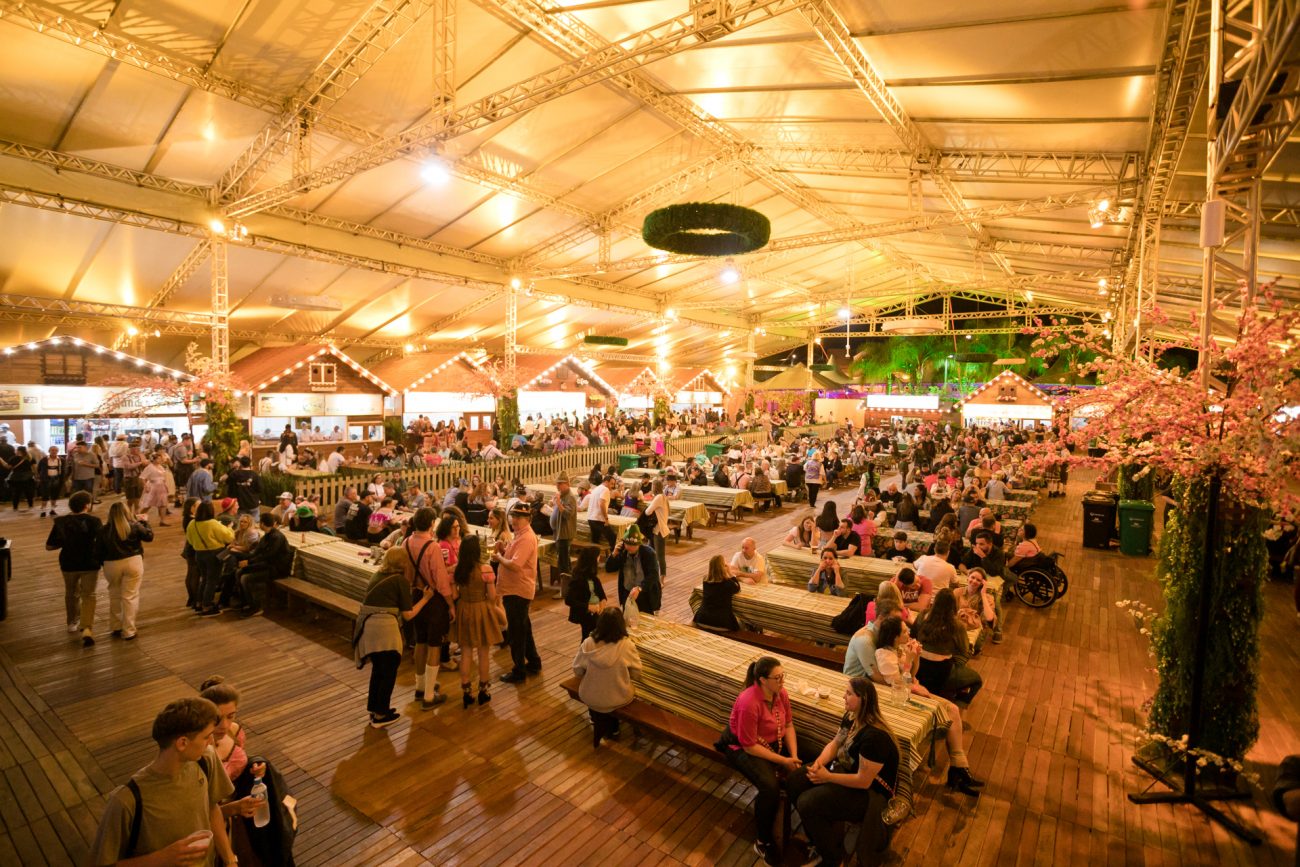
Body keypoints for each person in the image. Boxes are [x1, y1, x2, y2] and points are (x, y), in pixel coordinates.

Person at [89, 697, 237, 867]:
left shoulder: (205, 761)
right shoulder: (126, 800)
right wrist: (160, 859)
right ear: (182, 743)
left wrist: (230, 860)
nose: (212, 742)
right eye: (206, 737)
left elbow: (211, 807)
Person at [785, 678, 900, 867]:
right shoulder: (852, 716)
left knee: (807, 803)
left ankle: (832, 858)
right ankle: (820, 838)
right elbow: (835, 743)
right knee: (795, 781)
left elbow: (864, 781)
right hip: (849, 773)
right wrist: (819, 764)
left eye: (848, 693)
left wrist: (827, 776)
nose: (843, 696)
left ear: (862, 698)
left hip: (872, 793)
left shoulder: (874, 737)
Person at [873, 616, 982, 796]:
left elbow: (914, 674)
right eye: (904, 631)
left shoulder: (899, 649)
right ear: (893, 637)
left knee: (953, 710)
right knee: (952, 710)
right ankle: (958, 769)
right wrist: (909, 661)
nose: (909, 632)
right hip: (900, 697)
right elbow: (898, 684)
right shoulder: (884, 655)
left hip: (912, 690)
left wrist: (915, 657)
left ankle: (959, 767)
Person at [721, 656, 803, 866]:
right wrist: (783, 760)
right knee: (769, 787)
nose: (782, 681)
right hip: (743, 747)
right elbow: (749, 745)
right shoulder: (749, 702)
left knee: (805, 760)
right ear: (762, 680)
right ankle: (762, 840)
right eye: (777, 677)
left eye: (783, 676)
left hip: (770, 741)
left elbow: (789, 725)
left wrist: (793, 755)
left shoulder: (780, 693)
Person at [354, 546, 429, 728]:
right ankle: (381, 715)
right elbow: (408, 615)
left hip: (369, 628)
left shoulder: (378, 575)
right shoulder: (399, 580)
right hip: (384, 629)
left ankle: (375, 709)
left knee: (378, 670)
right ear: (402, 563)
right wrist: (426, 597)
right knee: (388, 671)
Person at [403, 508, 455, 708]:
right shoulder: (432, 547)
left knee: (420, 641)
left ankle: (420, 686)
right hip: (433, 598)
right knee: (435, 645)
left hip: (416, 595)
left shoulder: (406, 542)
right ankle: (429, 696)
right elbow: (441, 581)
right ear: (432, 523)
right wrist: (450, 605)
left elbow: (407, 574)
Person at [573, 607, 643, 748]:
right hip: (617, 697)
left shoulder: (588, 643)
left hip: (590, 695)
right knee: (616, 693)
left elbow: (577, 670)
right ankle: (614, 729)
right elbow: (637, 674)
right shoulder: (626, 645)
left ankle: (596, 719)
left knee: (598, 695)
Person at [45, 490, 103, 644]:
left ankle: (72, 622)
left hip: (68, 562)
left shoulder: (61, 522)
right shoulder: (95, 521)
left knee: (71, 593)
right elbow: (100, 541)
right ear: (87, 505)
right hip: (90, 562)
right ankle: (86, 627)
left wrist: (66, 541)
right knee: (89, 594)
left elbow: (49, 546)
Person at [495, 504, 542, 683]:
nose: (514, 520)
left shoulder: (526, 538)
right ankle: (534, 662)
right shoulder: (521, 535)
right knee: (524, 628)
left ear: (528, 520)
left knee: (516, 632)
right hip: (515, 589)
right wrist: (502, 551)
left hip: (517, 590)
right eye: (513, 516)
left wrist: (498, 557)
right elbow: (513, 558)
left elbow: (515, 565)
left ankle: (519, 670)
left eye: (518, 517)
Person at [454, 534, 502, 707]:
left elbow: (454, 594)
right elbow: (492, 596)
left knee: (466, 652)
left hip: (464, 608)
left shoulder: (458, 570)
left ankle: (466, 691)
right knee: (483, 653)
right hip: (481, 609)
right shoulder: (486, 569)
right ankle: (483, 690)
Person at [95, 502, 154, 642]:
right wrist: (145, 522)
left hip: (111, 564)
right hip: (133, 561)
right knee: (130, 596)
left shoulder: (103, 530)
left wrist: (103, 563)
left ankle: (116, 626)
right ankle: (129, 630)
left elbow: (98, 551)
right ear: (127, 512)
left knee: (114, 594)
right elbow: (149, 537)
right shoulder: (134, 526)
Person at [913, 588, 983, 706]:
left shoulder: (922, 615)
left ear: (935, 602)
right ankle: (959, 703)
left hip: (918, 664)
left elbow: (913, 635)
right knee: (977, 680)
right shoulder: (957, 625)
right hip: (940, 670)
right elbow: (964, 650)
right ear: (954, 606)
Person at [235, 513, 292, 616]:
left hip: (277, 569)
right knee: (239, 572)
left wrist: (249, 562)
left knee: (245, 578)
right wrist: (246, 560)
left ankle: (255, 607)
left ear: (262, 524)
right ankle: (245, 602)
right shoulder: (267, 535)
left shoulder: (277, 537)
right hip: (267, 565)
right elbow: (257, 552)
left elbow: (268, 556)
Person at [187, 501, 236, 617]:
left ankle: (199, 603)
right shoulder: (213, 523)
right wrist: (229, 528)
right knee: (212, 580)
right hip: (213, 555)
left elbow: (189, 540)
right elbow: (229, 537)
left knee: (204, 579)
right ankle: (207, 606)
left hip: (199, 554)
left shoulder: (192, 523)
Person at [198, 676, 247, 782]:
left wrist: (254, 770)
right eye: (217, 718)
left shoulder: (235, 730)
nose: (224, 725)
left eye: (230, 716)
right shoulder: (195, 746)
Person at [604, 524, 662, 615]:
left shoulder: (649, 554)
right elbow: (609, 568)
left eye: (633, 545)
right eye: (627, 544)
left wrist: (639, 588)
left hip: (645, 594)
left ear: (639, 543)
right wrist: (614, 554)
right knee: (628, 621)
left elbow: (653, 575)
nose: (629, 547)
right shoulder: (622, 552)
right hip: (627, 593)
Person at [564, 546, 607, 641]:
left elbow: (601, 592)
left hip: (596, 612)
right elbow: (568, 600)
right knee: (588, 638)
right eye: (598, 557)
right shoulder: (578, 579)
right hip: (586, 614)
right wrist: (588, 607)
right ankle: (584, 653)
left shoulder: (593, 576)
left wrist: (603, 600)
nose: (599, 560)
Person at [694, 555, 741, 631]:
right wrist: (729, 572)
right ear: (723, 567)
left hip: (702, 619)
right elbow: (737, 588)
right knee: (743, 624)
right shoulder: (728, 583)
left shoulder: (705, 580)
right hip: (721, 623)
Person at [550, 474, 578, 590]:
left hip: (565, 534)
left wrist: (558, 504)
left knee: (563, 562)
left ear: (566, 484)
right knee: (563, 560)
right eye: (557, 484)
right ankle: (568, 586)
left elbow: (567, 514)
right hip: (559, 532)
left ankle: (565, 589)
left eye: (560, 484)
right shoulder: (562, 496)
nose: (557, 486)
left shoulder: (570, 497)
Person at [644, 479, 671, 578]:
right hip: (655, 530)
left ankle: (662, 578)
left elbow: (647, 512)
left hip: (660, 531)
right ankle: (651, 574)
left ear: (654, 487)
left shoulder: (659, 497)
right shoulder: (663, 497)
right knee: (649, 553)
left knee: (660, 556)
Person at [138, 452, 172, 525]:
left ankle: (162, 521)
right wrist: (145, 486)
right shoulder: (149, 467)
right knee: (148, 504)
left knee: (163, 504)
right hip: (153, 486)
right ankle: (139, 519)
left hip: (161, 486)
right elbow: (142, 477)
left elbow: (164, 476)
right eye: (158, 459)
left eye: (160, 459)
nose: (160, 460)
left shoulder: (160, 466)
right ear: (154, 459)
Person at [586, 474, 616, 548]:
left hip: (591, 518)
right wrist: (606, 518)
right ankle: (613, 556)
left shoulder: (596, 488)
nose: (612, 486)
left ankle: (593, 558)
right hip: (598, 519)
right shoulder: (605, 489)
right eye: (611, 483)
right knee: (613, 537)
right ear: (606, 482)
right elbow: (602, 504)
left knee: (595, 541)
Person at [36, 444, 66, 517]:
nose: (54, 451)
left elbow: (63, 470)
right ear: (49, 451)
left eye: (55, 450)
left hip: (57, 479)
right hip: (46, 480)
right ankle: (43, 511)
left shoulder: (61, 460)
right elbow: (39, 469)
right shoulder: (44, 460)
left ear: (58, 451)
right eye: (52, 450)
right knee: (45, 495)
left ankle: (52, 510)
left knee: (54, 495)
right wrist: (42, 477)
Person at [6, 444, 35, 510]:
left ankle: (15, 507)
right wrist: (35, 475)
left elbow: (8, 467)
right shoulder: (30, 458)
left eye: (16, 450)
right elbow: (34, 468)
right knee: (28, 493)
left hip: (16, 478)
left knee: (16, 493)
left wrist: (1, 460)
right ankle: (30, 506)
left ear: (18, 451)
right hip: (28, 478)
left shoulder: (13, 458)